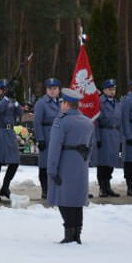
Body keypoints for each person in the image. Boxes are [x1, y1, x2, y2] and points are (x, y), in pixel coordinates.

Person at [46, 88, 95, 244]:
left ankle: (69, 234)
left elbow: (54, 147)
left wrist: (52, 169)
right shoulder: (88, 122)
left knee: (64, 199)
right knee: (77, 200)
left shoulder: (61, 121)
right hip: (81, 163)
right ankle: (77, 234)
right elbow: (91, 146)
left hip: (65, 163)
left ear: (66, 104)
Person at [0, 79, 22, 201]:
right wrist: (6, 99)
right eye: (2, 89)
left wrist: (15, 100)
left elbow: (19, 113)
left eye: (5, 89)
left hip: (9, 132)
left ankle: (5, 187)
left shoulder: (9, 100)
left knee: (15, 161)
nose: (4, 91)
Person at [33, 77, 62, 200]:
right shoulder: (41, 103)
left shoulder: (61, 103)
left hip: (59, 137)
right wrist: (40, 139)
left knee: (58, 164)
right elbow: (37, 122)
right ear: (46, 90)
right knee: (44, 165)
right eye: (50, 89)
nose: (52, 91)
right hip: (46, 136)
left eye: (55, 88)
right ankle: (45, 190)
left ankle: (57, 188)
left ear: (59, 90)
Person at [94, 79, 122, 197]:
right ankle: (102, 188)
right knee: (103, 163)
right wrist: (97, 138)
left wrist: (121, 138)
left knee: (111, 163)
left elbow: (120, 121)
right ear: (104, 90)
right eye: (110, 89)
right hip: (104, 133)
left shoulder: (117, 102)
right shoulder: (99, 102)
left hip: (114, 134)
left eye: (114, 89)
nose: (112, 91)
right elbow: (95, 121)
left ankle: (108, 186)